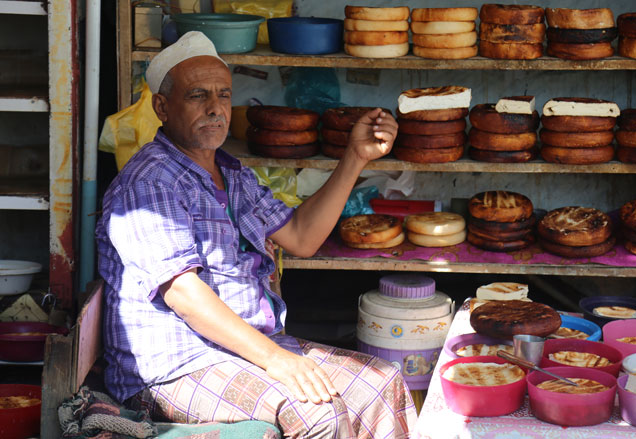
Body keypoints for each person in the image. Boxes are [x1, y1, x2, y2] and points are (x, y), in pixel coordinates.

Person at [95, 31, 417, 438]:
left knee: (380, 382)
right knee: (317, 413)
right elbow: (182, 293)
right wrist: (277, 360)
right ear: (162, 106)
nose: (215, 108)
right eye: (198, 95)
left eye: (224, 95)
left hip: (244, 351)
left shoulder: (232, 174)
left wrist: (355, 157)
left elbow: (302, 237)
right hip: (176, 366)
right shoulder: (150, 181)